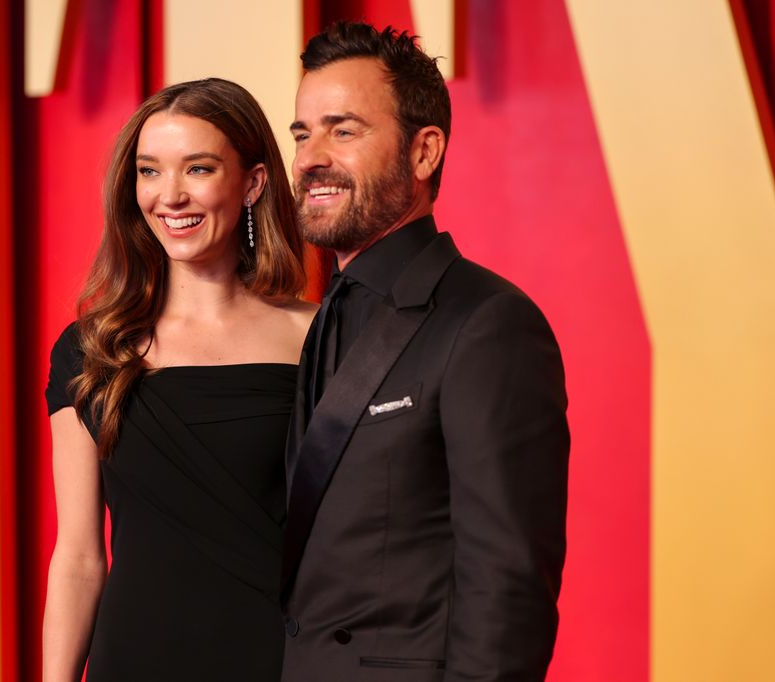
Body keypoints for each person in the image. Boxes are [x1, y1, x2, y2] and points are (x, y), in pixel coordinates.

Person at [281, 22, 570, 681]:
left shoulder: (489, 324)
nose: (309, 158)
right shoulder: (311, 319)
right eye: (302, 133)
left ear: (423, 152)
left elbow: (509, 586)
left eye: (342, 130)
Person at [43, 77, 316, 682]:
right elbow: (80, 557)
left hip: (279, 659)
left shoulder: (320, 336)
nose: (170, 196)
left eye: (197, 169)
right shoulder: (91, 351)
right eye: (149, 171)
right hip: (135, 658)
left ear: (252, 183)